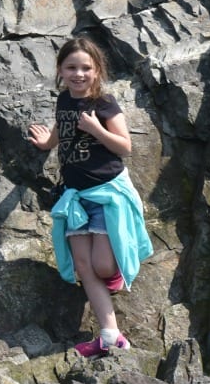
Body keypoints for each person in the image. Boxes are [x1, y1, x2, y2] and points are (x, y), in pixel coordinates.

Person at [29, 35, 153, 357]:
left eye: (86, 68)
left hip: (107, 193)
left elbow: (125, 146)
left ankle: (114, 275)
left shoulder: (104, 103)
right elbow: (62, 131)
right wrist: (47, 144)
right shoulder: (64, 102)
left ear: (96, 71)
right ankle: (110, 335)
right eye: (72, 67)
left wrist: (97, 129)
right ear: (60, 69)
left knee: (101, 265)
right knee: (84, 267)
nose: (79, 74)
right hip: (75, 197)